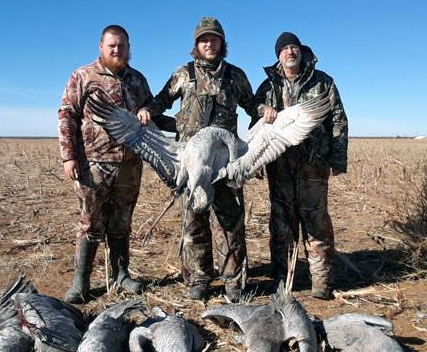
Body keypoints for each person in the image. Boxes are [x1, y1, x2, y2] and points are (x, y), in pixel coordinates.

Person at [137, 17, 260, 302]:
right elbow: (161, 100)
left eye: (214, 39)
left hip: (224, 163)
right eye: (204, 39)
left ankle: (232, 279)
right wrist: (147, 111)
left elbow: (252, 105)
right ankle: (200, 277)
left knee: (231, 221)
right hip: (192, 163)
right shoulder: (184, 74)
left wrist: (264, 110)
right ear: (196, 44)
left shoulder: (235, 76)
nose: (209, 43)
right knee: (194, 221)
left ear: (222, 43)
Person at [58, 24, 152, 303]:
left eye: (122, 45)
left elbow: (151, 107)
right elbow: (67, 115)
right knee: (90, 222)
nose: (117, 50)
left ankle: (121, 275)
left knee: (122, 222)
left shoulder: (137, 79)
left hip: (130, 164)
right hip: (93, 163)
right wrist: (68, 155)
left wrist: (148, 109)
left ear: (128, 47)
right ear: (101, 46)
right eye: (112, 45)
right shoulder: (83, 76)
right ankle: (81, 283)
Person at [252, 32, 348, 299]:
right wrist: (262, 112)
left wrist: (338, 158)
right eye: (284, 49)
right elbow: (255, 121)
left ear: (302, 51)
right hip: (279, 166)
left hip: (313, 165)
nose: (289, 52)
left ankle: (322, 282)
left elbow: (338, 120)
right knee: (282, 226)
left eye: (293, 47)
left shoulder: (323, 82)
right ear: (278, 55)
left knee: (316, 222)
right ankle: (284, 279)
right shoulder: (268, 86)